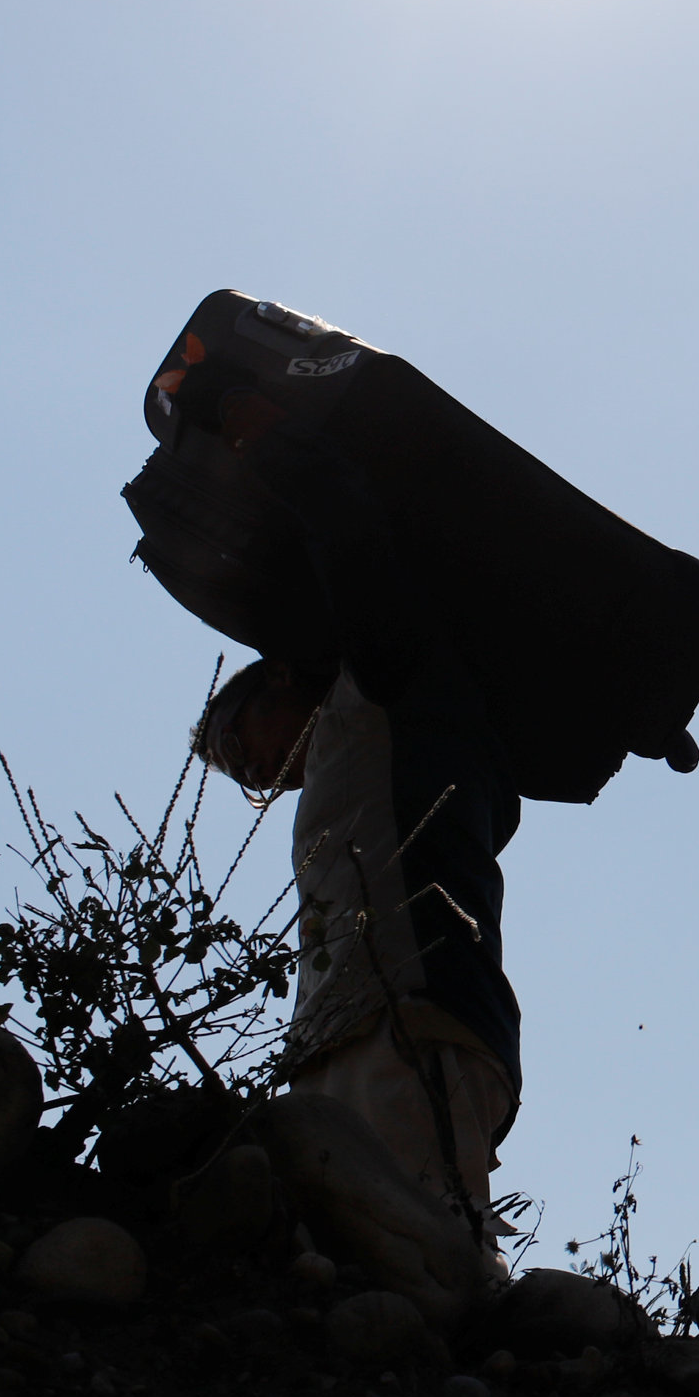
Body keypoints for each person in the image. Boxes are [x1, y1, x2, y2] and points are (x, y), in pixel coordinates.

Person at [178, 362, 519, 1327]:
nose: (258, 776)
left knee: (432, 1253)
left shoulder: (391, 682)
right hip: (347, 1036)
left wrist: (256, 427)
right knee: (360, 1259)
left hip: (419, 1014)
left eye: (240, 747)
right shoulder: (363, 740)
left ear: (278, 677)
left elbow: (351, 535)